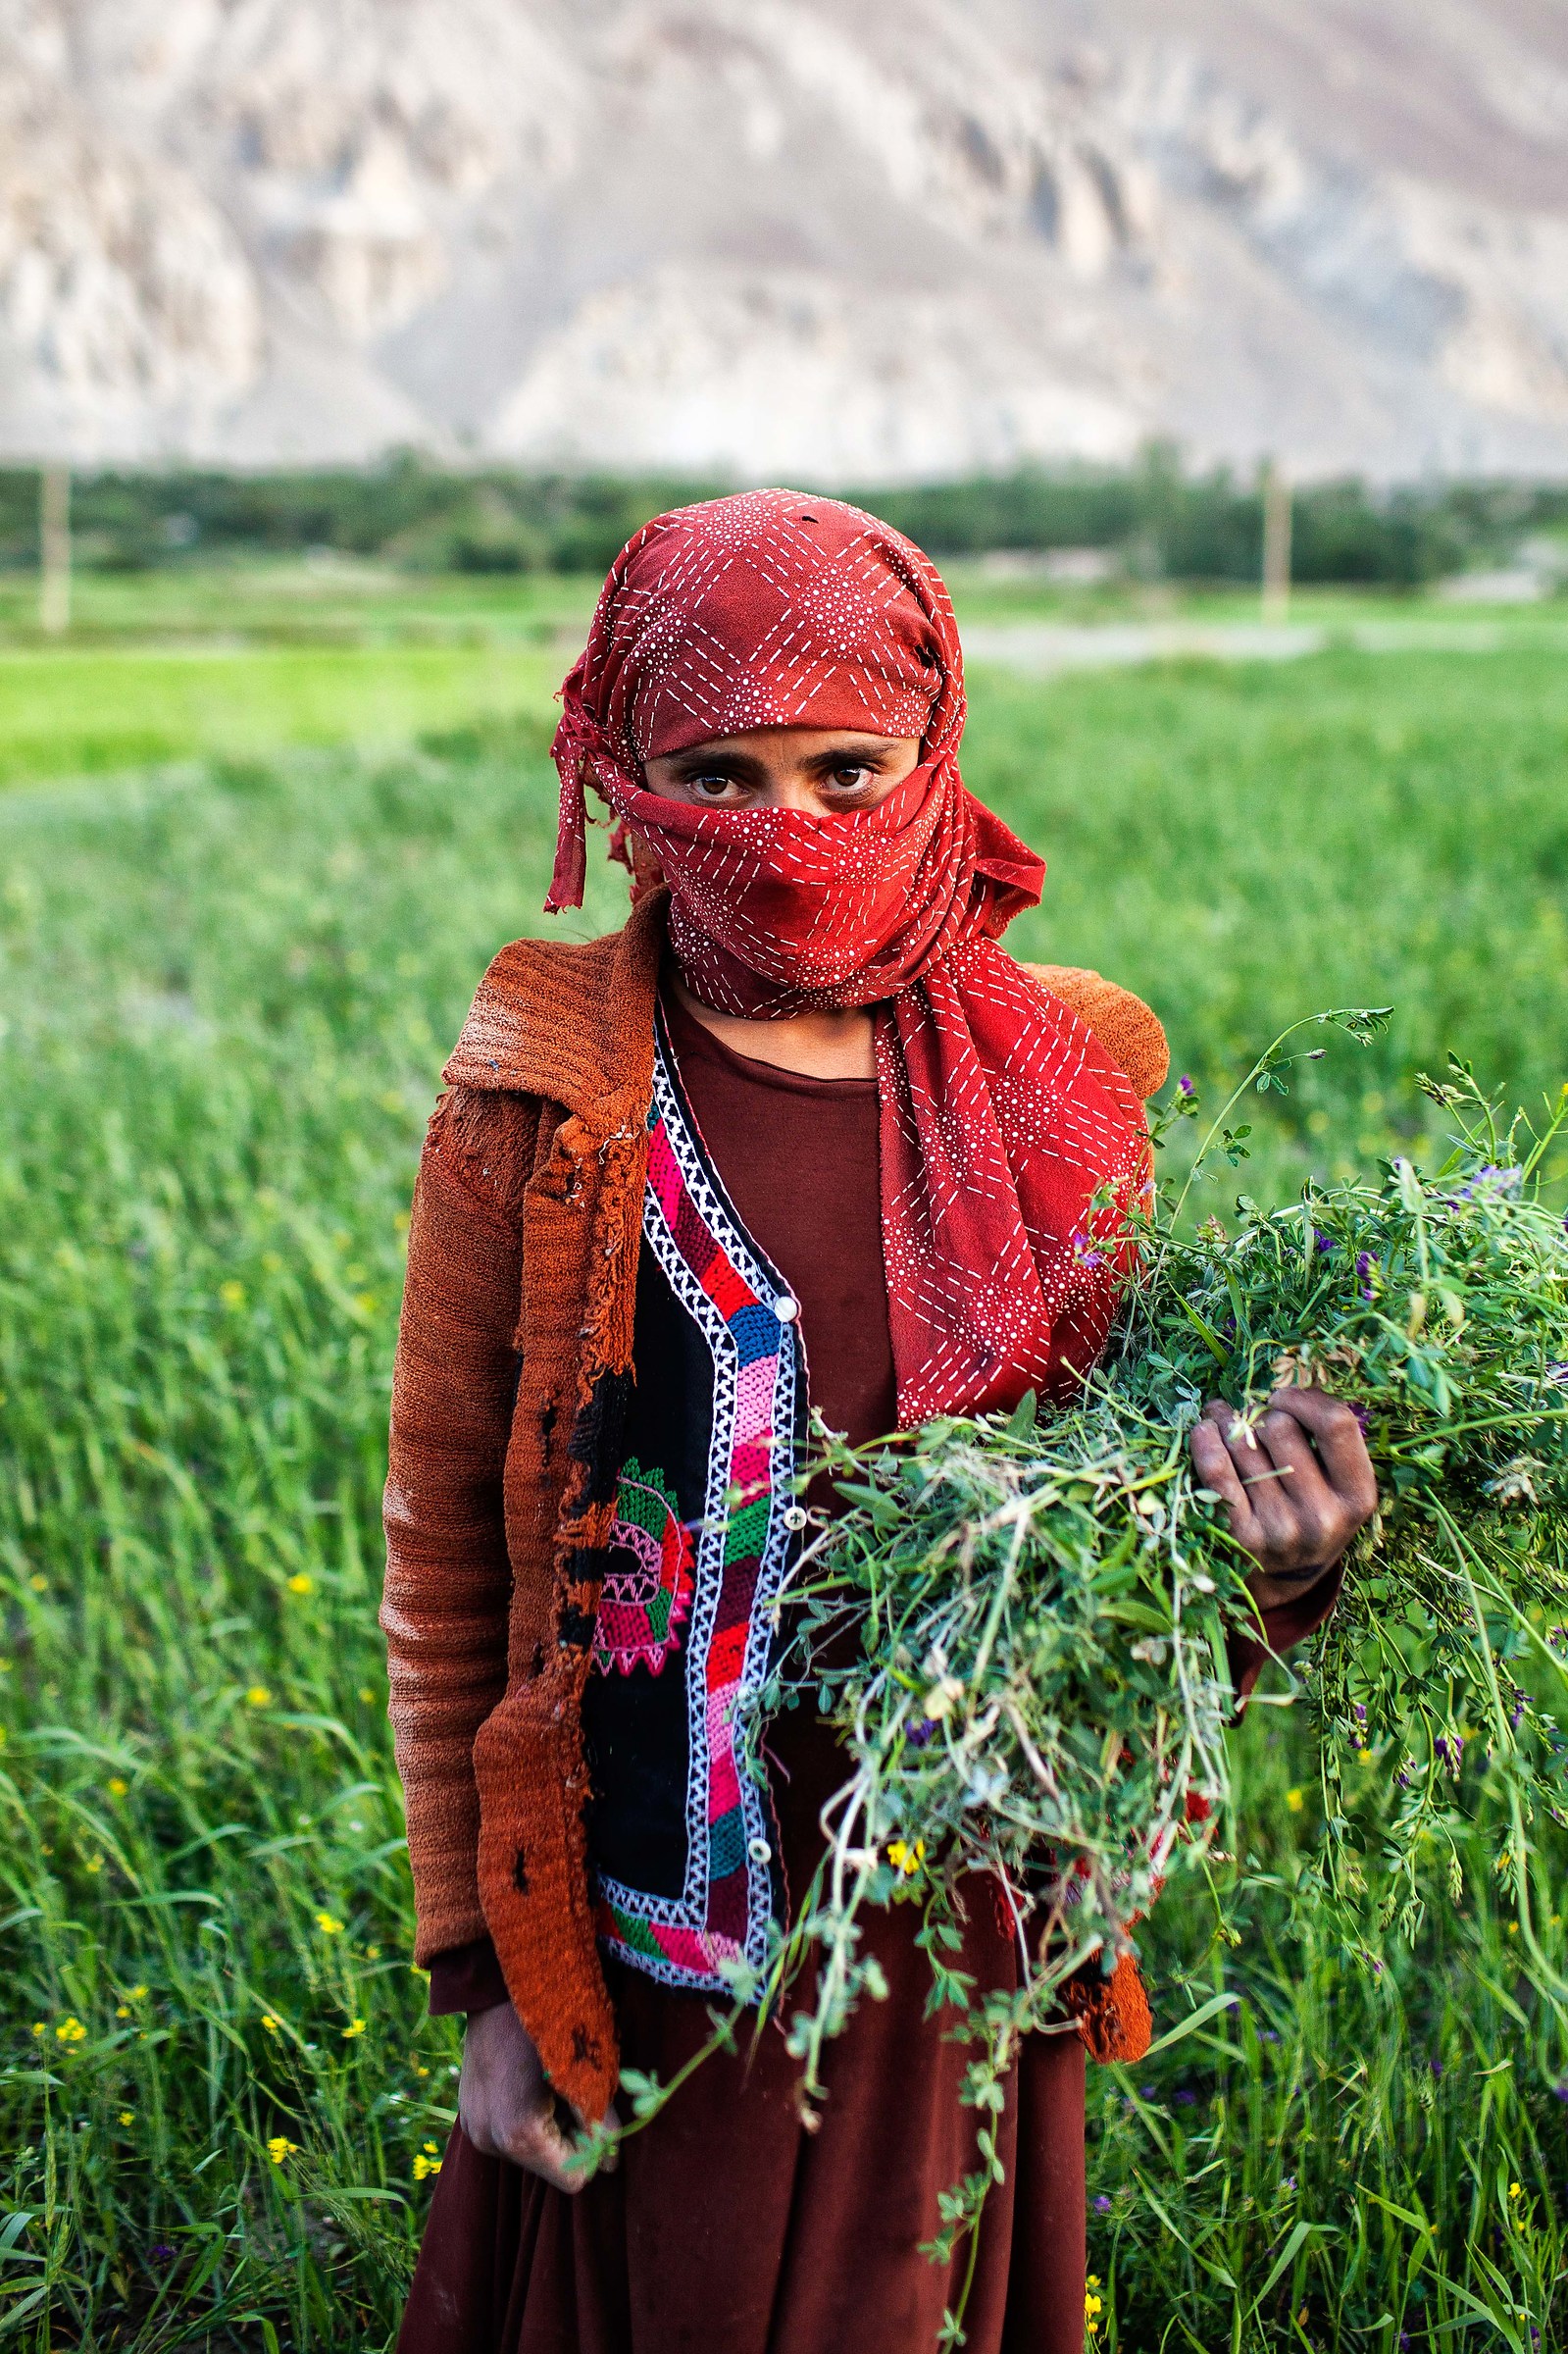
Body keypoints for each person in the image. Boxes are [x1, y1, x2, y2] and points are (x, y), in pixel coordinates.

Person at [381, 489, 1378, 2354]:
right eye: (718, 776)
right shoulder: (538, 1086)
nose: (791, 837)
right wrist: (489, 1979)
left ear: (936, 750)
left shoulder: (1065, 1083)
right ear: (616, 770)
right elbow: (448, 1534)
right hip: (636, 1942)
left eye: (850, 771)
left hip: (956, 1925)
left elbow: (1117, 1554)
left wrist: (1275, 1567)